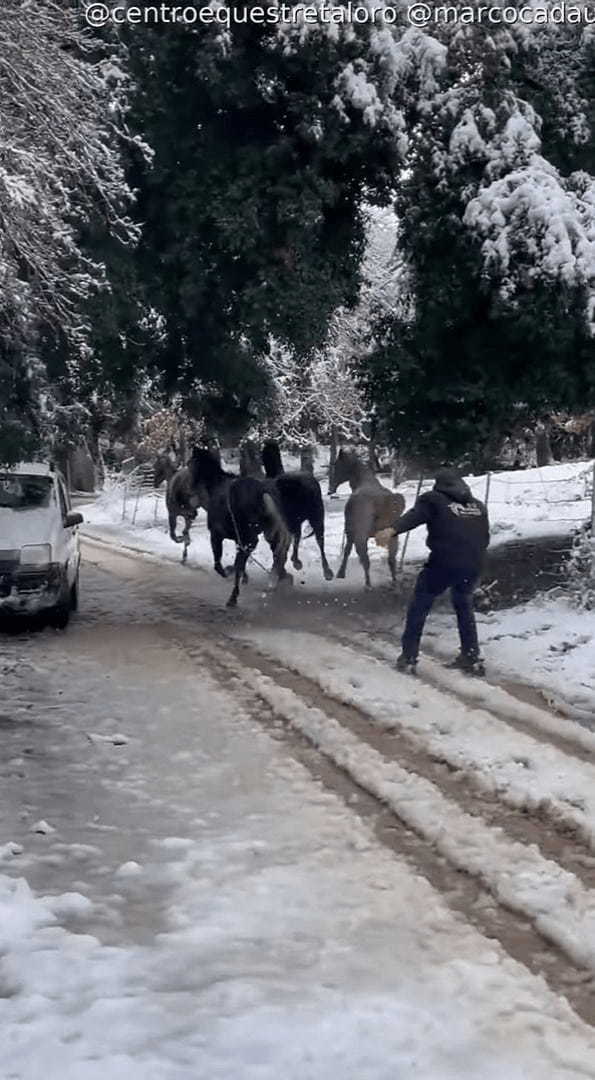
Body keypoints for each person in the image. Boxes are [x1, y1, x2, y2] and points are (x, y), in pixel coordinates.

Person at [383, 468, 490, 676]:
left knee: (420, 605)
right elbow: (484, 538)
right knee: (463, 604)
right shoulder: (477, 505)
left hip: (445, 561)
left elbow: (415, 516)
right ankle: (471, 656)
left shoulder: (433, 500)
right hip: (474, 562)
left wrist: (392, 529)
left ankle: (409, 658)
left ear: (438, 485)